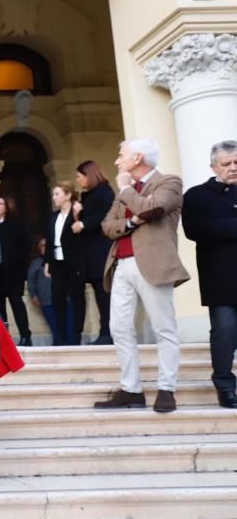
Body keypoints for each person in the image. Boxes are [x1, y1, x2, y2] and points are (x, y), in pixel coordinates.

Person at [95, 138, 190, 413]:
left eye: (121, 155)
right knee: (120, 328)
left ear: (137, 158)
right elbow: (107, 226)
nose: (117, 161)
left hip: (154, 264)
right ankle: (131, 389)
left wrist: (127, 192)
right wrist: (132, 221)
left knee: (164, 328)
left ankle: (167, 389)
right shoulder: (125, 191)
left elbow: (153, 209)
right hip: (121, 265)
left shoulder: (168, 182)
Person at [182, 139, 237, 408]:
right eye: (227, 164)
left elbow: (213, 228)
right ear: (214, 166)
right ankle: (225, 385)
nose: (233, 168)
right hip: (220, 275)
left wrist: (221, 227)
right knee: (224, 330)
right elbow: (195, 230)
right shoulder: (196, 195)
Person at [72, 160, 115, 344]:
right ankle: (104, 332)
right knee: (98, 293)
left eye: (79, 176)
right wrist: (78, 214)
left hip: (101, 251)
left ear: (89, 175)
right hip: (89, 252)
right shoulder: (88, 196)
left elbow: (107, 214)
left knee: (104, 293)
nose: (78, 180)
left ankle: (108, 333)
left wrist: (83, 222)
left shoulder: (105, 191)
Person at [0, 195, 33, 346]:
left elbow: (26, 247)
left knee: (16, 303)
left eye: (0, 204)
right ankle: (4, 339)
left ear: (8, 207)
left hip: (13, 272)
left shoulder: (17, 225)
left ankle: (25, 336)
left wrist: (15, 261)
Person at [45, 182, 85, 345]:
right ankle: (61, 339)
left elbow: (82, 238)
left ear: (68, 195)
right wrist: (47, 263)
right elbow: (49, 240)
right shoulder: (53, 216)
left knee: (77, 299)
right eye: (53, 194)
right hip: (57, 263)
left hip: (74, 263)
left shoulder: (79, 213)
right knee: (57, 299)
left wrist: (77, 215)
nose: (54, 197)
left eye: (57, 194)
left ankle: (76, 338)